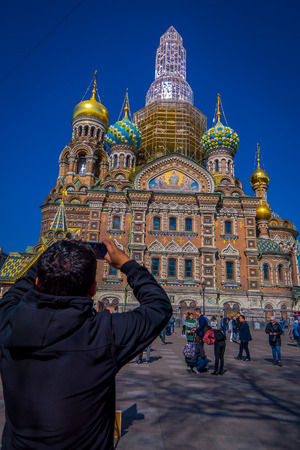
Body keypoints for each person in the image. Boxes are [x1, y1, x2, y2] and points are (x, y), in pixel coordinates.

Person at [0, 239, 172, 449]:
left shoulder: (8, 322)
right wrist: (126, 263)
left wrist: (53, 256)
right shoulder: (103, 334)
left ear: (37, 282)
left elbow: (14, 293)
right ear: (93, 288)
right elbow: (159, 307)